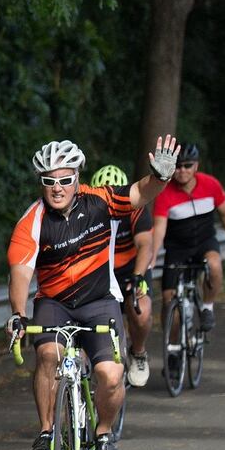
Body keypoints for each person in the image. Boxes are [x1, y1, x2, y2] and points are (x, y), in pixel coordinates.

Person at [6, 136, 179, 450]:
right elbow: (20, 274)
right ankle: (47, 430)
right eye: (49, 181)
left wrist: (160, 177)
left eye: (65, 180)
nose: (57, 188)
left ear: (77, 179)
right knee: (48, 355)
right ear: (41, 183)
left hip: (99, 301)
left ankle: (103, 434)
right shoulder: (32, 221)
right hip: (54, 302)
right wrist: (18, 314)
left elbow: (139, 193)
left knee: (111, 375)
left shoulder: (99, 201)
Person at [150, 143, 225, 337]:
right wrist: (151, 257)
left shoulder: (211, 184)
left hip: (205, 242)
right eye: (178, 166)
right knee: (168, 300)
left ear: (196, 166)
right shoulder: (165, 192)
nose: (182, 170)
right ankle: (172, 345)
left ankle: (207, 307)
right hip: (177, 249)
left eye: (187, 165)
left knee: (215, 265)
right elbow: (159, 228)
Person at [89, 165, 153, 387]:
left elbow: (145, 244)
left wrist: (138, 276)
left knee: (141, 311)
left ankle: (138, 352)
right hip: (101, 270)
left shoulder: (135, 209)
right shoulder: (88, 211)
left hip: (132, 269)